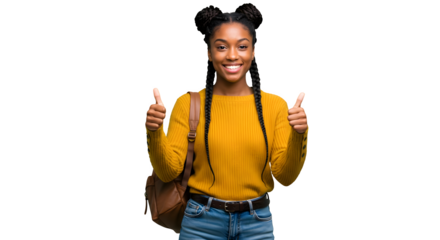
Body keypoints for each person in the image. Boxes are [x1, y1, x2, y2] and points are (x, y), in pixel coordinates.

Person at [144, 3, 310, 240]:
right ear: (208, 52)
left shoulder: (275, 106)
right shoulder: (187, 103)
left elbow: (285, 178)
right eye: (221, 47)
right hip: (201, 220)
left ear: (254, 51)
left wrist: (298, 134)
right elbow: (169, 172)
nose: (232, 55)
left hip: (258, 221)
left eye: (242, 46)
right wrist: (155, 131)